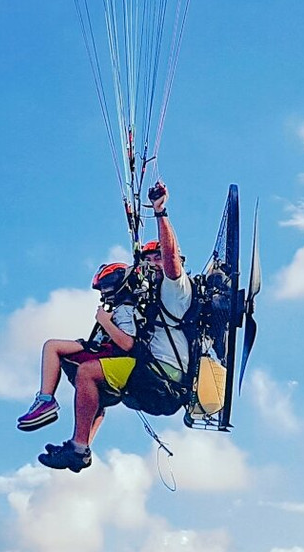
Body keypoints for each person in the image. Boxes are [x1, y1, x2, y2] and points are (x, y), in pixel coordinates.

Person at [37, 181, 191, 473]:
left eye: (157, 257)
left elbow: (171, 263)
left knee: (89, 372)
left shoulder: (177, 290)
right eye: (149, 259)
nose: (153, 264)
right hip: (151, 373)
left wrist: (160, 212)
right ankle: (78, 448)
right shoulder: (149, 298)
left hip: (163, 377)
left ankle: (79, 447)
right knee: (92, 378)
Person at [16, 262, 139, 432]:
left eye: (107, 286)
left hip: (109, 352)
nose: (103, 292)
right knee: (95, 399)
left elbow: (127, 344)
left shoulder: (124, 309)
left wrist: (104, 321)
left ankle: (46, 400)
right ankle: (83, 444)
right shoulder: (118, 308)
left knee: (52, 347)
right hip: (101, 350)